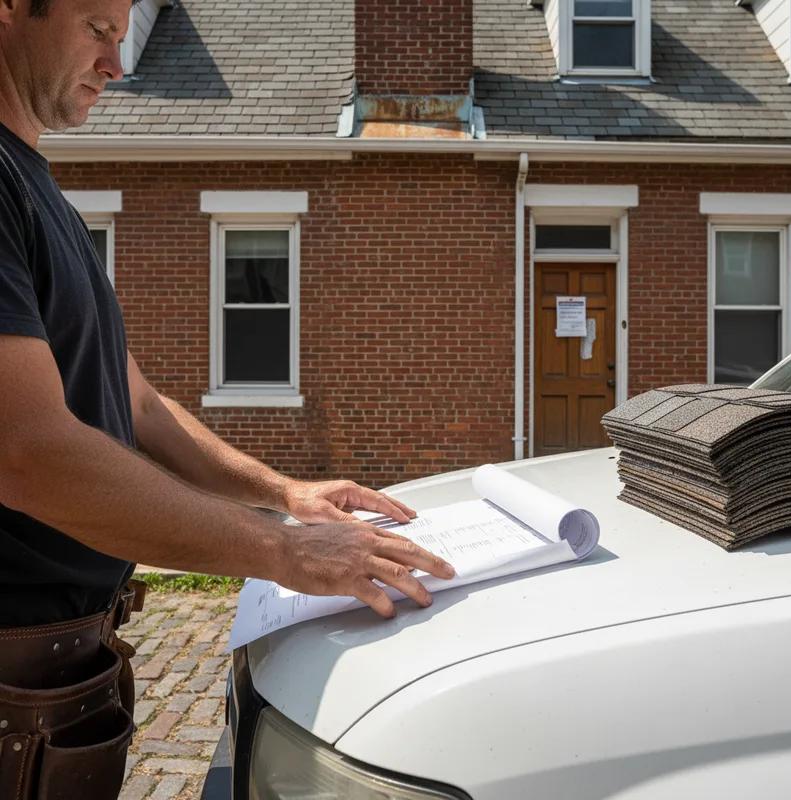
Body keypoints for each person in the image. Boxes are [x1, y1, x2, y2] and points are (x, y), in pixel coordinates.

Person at [0, 0, 455, 797]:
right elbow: (26, 454)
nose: (118, 65)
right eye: (98, 31)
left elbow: (133, 402)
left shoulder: (41, 195)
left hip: (66, 679)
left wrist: (284, 493)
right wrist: (285, 550)